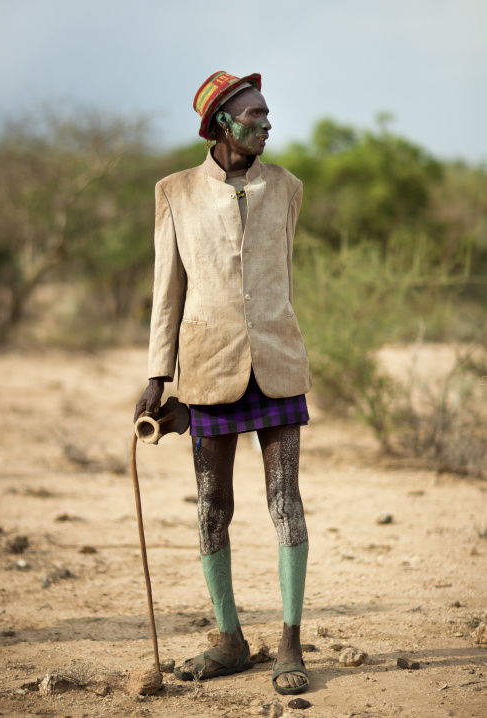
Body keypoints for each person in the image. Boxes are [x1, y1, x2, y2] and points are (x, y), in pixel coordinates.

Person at [134, 71, 312, 696]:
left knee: (284, 503)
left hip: (279, 363)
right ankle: (231, 638)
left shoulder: (286, 187)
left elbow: (281, 277)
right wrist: (159, 374)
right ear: (221, 124)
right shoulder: (174, 192)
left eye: (267, 113)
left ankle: (289, 642)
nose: (267, 122)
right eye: (255, 114)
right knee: (214, 507)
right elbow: (168, 291)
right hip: (208, 367)